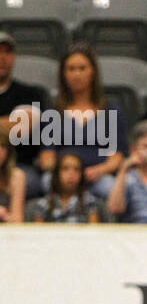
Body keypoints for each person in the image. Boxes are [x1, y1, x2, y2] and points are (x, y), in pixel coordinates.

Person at [35, 43, 127, 199]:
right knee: (46, 182)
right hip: (64, 175)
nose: (76, 74)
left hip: (97, 175)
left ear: (93, 72)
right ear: (63, 74)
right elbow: (47, 156)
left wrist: (99, 170)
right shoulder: (53, 112)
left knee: (111, 188)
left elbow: (117, 156)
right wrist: (64, 171)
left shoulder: (110, 110)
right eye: (71, 69)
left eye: (82, 68)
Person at [0, 32, 48, 197]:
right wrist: (7, 123)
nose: (2, 57)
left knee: (27, 181)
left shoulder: (30, 93)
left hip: (20, 166)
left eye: (7, 52)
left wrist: (12, 124)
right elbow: (10, 126)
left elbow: (20, 126)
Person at [25, 150, 103, 222]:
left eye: (76, 169)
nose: (71, 174)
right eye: (65, 169)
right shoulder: (44, 204)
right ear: (56, 174)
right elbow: (37, 233)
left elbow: (94, 232)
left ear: (81, 175)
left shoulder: (88, 201)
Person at [0, 125, 26, 222]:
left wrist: (4, 216)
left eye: (3, 146)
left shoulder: (16, 176)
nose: (0, 151)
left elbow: (17, 220)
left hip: (6, 232)